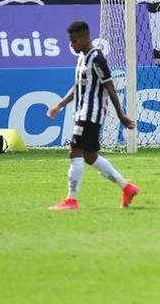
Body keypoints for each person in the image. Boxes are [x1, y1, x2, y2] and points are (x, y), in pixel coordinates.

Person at [47, 21, 139, 210]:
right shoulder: (82, 58)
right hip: (83, 113)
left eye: (73, 41)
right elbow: (79, 86)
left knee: (74, 152)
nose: (71, 45)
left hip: (91, 114)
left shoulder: (97, 58)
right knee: (90, 157)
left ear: (83, 38)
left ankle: (71, 200)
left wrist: (121, 115)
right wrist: (60, 105)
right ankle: (127, 188)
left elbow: (110, 87)